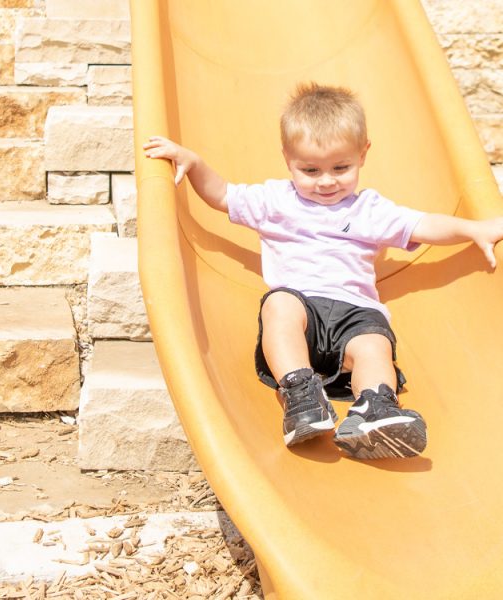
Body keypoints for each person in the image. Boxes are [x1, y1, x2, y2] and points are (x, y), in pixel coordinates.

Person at [143, 82, 503, 460]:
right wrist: (195, 163)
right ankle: (301, 393)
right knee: (279, 304)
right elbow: (223, 196)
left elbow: (422, 225)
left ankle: (375, 409)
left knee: (374, 345)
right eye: (310, 169)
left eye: (341, 167)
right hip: (304, 311)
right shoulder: (276, 201)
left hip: (355, 314)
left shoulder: (369, 210)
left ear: (363, 154)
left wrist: (472, 229)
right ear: (287, 159)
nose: (327, 180)